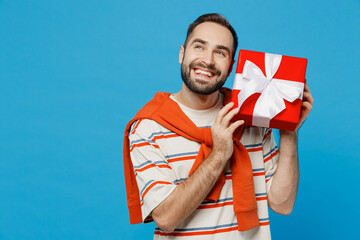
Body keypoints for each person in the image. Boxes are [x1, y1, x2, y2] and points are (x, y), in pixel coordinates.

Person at [123, 13, 314, 240]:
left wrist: (289, 129)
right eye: (199, 47)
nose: (208, 60)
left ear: (232, 65)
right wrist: (219, 154)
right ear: (182, 53)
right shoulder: (148, 127)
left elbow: (282, 204)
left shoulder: (252, 117)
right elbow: (166, 218)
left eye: (220, 52)